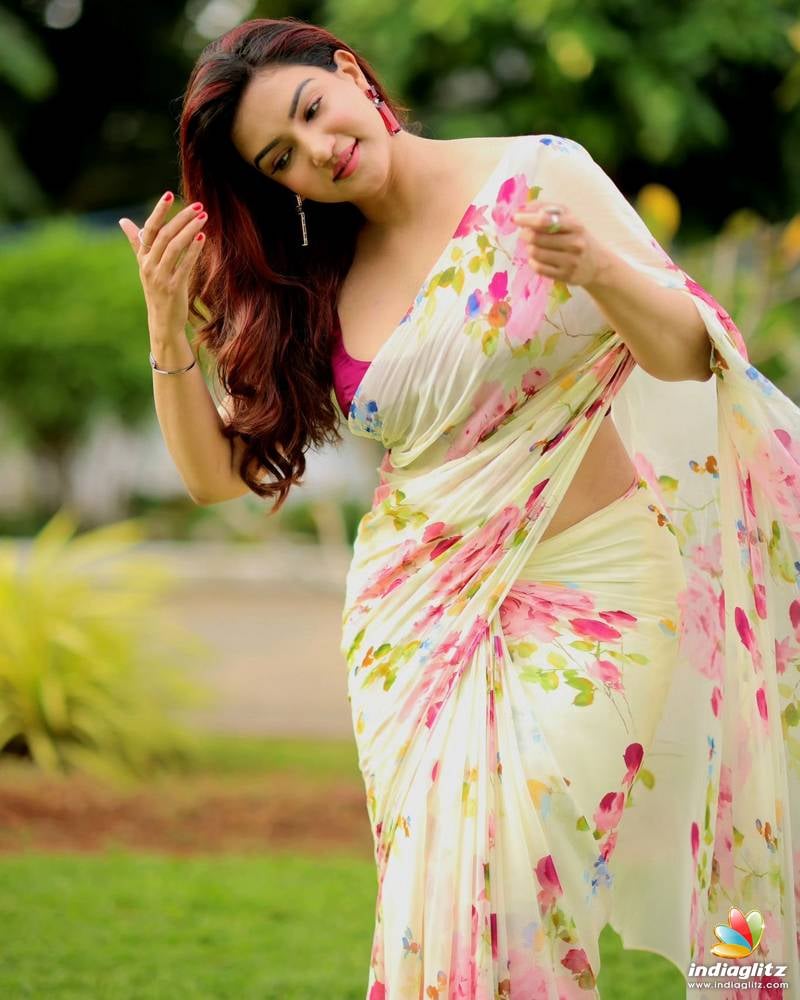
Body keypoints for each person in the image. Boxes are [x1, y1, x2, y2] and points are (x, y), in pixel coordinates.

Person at [118, 16, 800, 999]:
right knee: (433, 891)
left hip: (598, 589)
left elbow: (689, 356)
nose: (315, 149)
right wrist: (165, 327)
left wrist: (598, 272)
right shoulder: (318, 278)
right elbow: (217, 475)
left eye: (310, 110)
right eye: (281, 158)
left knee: (518, 879)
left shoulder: (538, 176)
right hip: (412, 622)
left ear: (349, 74)